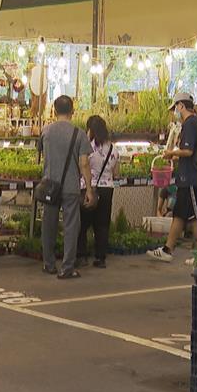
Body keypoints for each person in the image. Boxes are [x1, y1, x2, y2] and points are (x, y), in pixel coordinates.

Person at [39, 95, 95, 279]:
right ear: (72, 111)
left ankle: (48, 264)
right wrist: (88, 188)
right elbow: (84, 163)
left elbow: (42, 157)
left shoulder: (46, 132)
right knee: (71, 227)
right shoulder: (79, 134)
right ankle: (67, 267)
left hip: (49, 187)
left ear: (54, 111)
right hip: (71, 187)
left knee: (49, 226)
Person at [148, 92, 197, 263]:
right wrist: (174, 156)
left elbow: (188, 151)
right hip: (186, 178)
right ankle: (168, 249)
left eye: (175, 108)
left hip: (191, 179)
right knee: (180, 215)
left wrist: (171, 152)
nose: (175, 112)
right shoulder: (196, 124)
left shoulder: (190, 124)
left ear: (181, 106)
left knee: (196, 216)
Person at [77, 115, 120, 269]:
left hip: (88, 188)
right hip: (107, 189)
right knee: (102, 225)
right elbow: (117, 173)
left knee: (82, 224)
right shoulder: (113, 149)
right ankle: (100, 258)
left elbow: (82, 165)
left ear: (90, 130)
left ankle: (81, 255)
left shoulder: (87, 147)